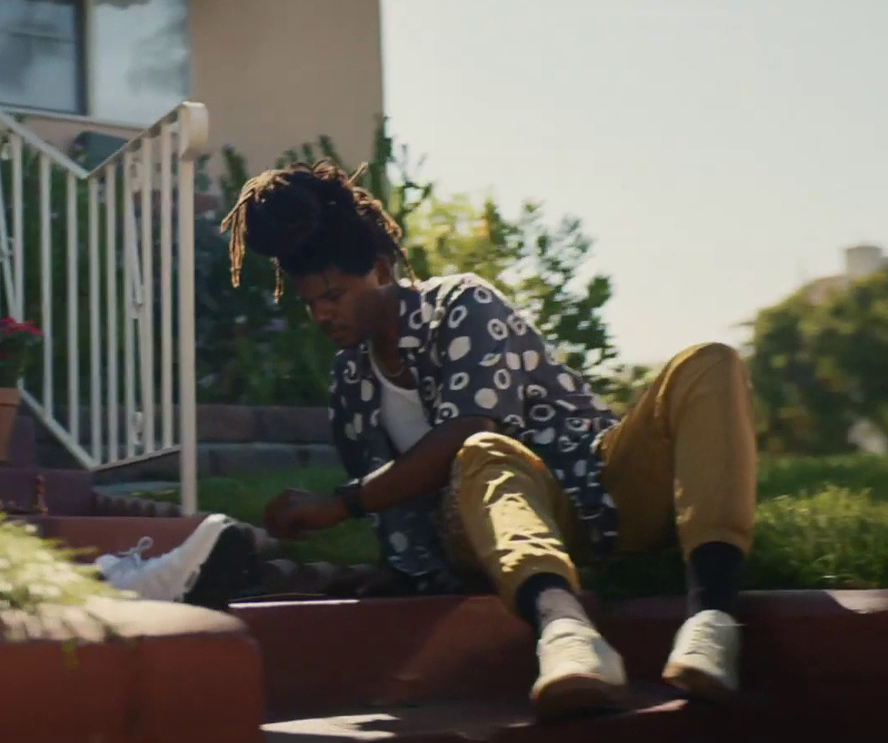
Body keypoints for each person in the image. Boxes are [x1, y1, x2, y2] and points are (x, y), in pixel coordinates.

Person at [214, 160, 757, 720]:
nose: (324, 313)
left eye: (335, 294)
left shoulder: (461, 305)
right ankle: (567, 636)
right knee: (482, 456)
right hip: (493, 534)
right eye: (311, 303)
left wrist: (340, 504)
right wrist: (397, 571)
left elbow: (467, 422)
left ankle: (712, 621)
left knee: (708, 364)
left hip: (598, 491)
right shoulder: (350, 383)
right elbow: (410, 509)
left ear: (380, 269)